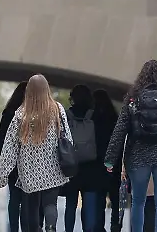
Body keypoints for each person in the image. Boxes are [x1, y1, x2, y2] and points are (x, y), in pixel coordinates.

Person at [104, 60, 157, 232]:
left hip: (138, 156)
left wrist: (110, 160)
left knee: (138, 201)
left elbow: (120, 130)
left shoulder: (133, 99)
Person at [0, 74, 74, 232]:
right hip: (53, 167)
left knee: (32, 207)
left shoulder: (21, 113)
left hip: (29, 170)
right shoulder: (57, 109)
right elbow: (67, 136)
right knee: (50, 203)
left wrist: (5, 172)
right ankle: (51, 226)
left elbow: (10, 144)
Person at [64, 84, 103, 232]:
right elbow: (101, 140)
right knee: (89, 205)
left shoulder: (66, 115)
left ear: (72, 97)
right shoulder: (96, 115)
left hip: (71, 165)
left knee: (71, 204)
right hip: (92, 167)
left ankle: (68, 229)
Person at [0, 81, 30, 232]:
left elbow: (0, 137)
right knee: (27, 198)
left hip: (12, 161)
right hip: (29, 162)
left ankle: (14, 229)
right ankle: (25, 228)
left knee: (14, 199)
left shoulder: (8, 112)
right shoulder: (31, 114)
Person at [92, 89, 121, 232]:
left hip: (96, 162)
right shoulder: (114, 118)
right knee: (115, 195)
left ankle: (99, 225)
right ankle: (115, 223)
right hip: (114, 162)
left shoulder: (92, 119)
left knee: (99, 196)